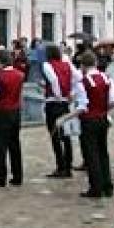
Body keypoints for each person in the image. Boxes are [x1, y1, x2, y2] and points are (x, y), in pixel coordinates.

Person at [72, 50, 114, 198]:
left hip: (89, 120)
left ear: (83, 66)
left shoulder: (83, 82)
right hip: (103, 118)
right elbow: (112, 101)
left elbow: (82, 106)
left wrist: (68, 117)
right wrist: (103, 110)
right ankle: (107, 185)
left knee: (91, 154)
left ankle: (96, 187)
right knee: (103, 152)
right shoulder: (106, 78)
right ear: (96, 63)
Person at [0, 50, 25, 188]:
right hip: (16, 111)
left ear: (0, 61)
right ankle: (17, 175)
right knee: (14, 144)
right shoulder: (20, 74)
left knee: (0, 145)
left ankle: (1, 177)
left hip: (3, 111)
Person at [42, 43, 78, 178]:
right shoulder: (67, 64)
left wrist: (58, 94)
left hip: (54, 102)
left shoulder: (47, 65)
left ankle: (61, 166)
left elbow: (55, 80)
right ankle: (68, 165)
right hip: (65, 103)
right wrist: (72, 93)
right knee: (66, 135)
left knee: (55, 135)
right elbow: (78, 78)